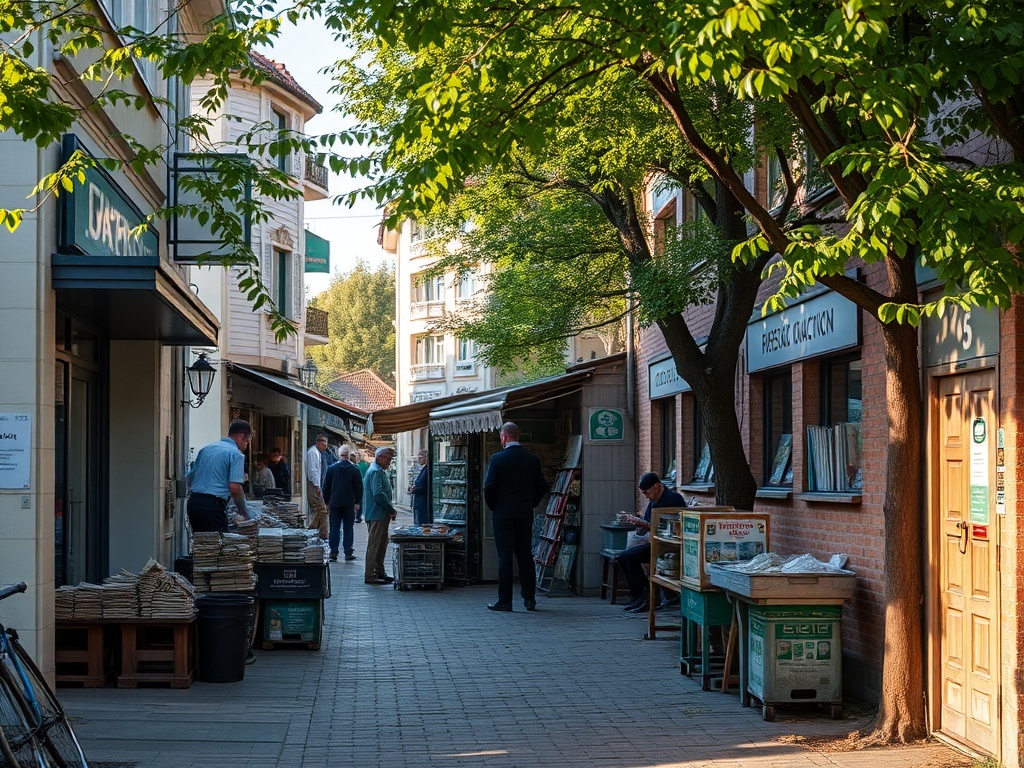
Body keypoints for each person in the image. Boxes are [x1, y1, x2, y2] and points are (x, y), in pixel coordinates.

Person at [482, 422, 550, 612]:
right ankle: (529, 599)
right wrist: (532, 503)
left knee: (505, 556)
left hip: (503, 514)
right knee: (525, 555)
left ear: (504, 437)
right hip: (524, 513)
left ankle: (505, 600)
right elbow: (542, 485)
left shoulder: (497, 459)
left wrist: (494, 506)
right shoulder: (531, 459)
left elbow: (488, 487)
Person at [616, 472, 687, 613]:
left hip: (670, 547)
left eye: (647, 493)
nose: (646, 497)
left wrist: (645, 525)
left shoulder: (674, 499)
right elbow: (649, 523)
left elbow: (672, 528)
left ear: (656, 486)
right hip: (655, 543)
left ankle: (649, 596)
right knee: (624, 557)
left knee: (629, 557)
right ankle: (641, 594)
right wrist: (640, 526)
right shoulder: (652, 502)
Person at [185, 420, 252, 532]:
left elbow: (189, 478)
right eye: (247, 442)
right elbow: (235, 488)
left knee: (201, 544)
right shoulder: (236, 454)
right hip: (213, 505)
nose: (246, 446)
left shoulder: (207, 449)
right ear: (241, 436)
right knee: (217, 545)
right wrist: (244, 512)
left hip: (194, 502)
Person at [362, 447, 398, 584]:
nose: (389, 462)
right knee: (375, 544)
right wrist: (390, 508)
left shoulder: (377, 470)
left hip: (379, 513)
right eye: (387, 459)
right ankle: (370, 574)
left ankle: (379, 571)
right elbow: (378, 494)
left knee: (381, 544)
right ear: (380, 457)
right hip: (377, 513)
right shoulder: (376, 471)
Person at [322, 444, 363, 562]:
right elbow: (359, 488)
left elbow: (326, 487)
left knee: (334, 528)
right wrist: (357, 502)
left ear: (339, 455)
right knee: (348, 528)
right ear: (349, 455)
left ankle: (333, 552)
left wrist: (327, 502)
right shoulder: (355, 469)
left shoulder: (331, 469)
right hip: (349, 504)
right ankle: (348, 551)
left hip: (334, 503)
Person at [305, 434, 330, 539]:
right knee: (321, 511)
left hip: (316, 485)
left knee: (319, 511)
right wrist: (317, 486)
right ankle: (320, 533)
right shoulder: (313, 453)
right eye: (324, 444)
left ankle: (319, 533)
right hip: (313, 485)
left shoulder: (317, 453)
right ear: (319, 443)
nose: (325, 447)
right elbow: (313, 471)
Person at [408, 448, 432, 526]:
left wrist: (415, 490)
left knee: (421, 524)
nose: (418, 460)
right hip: (419, 502)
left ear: (426, 458)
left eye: (420, 458)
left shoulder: (427, 469)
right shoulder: (423, 469)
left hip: (423, 503)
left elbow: (426, 486)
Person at [352, 449, 370, 522]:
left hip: (358, 484)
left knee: (357, 500)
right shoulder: (367, 465)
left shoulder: (358, 465)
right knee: (361, 500)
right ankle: (359, 516)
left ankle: (357, 516)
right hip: (363, 484)